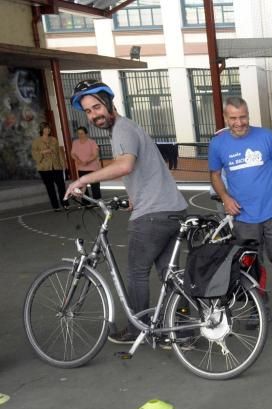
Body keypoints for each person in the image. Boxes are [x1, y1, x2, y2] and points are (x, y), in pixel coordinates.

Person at [65, 79, 189, 345]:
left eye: (97, 107)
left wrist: (82, 180)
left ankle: (138, 330)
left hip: (153, 214)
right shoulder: (129, 128)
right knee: (171, 275)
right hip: (173, 209)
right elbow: (143, 169)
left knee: (136, 272)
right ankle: (183, 330)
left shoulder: (122, 129)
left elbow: (125, 165)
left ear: (109, 104)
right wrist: (133, 196)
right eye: (88, 111)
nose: (94, 115)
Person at [208, 96, 272, 323]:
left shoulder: (265, 136)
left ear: (248, 115)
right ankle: (257, 309)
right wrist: (225, 198)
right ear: (225, 117)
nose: (239, 122)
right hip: (244, 217)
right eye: (233, 118)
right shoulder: (218, 144)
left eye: (243, 117)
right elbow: (215, 175)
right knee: (249, 268)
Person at [31, 121, 67, 210]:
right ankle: (55, 206)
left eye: (48, 128)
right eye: (45, 128)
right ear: (42, 130)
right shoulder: (36, 141)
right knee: (50, 188)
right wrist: (43, 152)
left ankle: (65, 203)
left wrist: (63, 164)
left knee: (61, 186)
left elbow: (59, 153)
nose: (47, 130)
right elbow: (34, 154)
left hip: (56, 166)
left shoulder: (54, 139)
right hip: (44, 168)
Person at [70, 126, 101, 201]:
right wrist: (78, 160)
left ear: (86, 134)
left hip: (93, 168)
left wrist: (87, 161)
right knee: (83, 186)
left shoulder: (92, 142)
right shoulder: (75, 142)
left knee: (95, 186)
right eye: (78, 134)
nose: (80, 135)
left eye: (82, 133)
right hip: (81, 168)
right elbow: (73, 154)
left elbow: (95, 154)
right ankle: (86, 202)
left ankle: (97, 201)